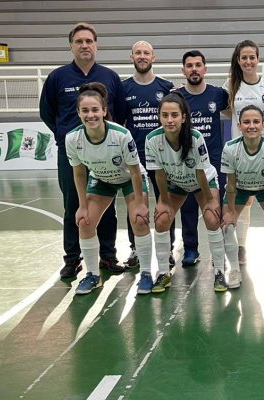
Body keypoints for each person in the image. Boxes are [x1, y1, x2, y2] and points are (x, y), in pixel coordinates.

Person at [39, 23, 127, 280]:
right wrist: (64, 134)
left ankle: (108, 255)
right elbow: (47, 112)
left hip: (104, 153)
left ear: (96, 45)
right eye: (79, 41)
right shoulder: (58, 77)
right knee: (74, 204)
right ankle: (72, 258)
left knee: (106, 204)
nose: (85, 45)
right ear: (71, 46)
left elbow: (119, 111)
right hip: (72, 154)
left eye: (89, 41)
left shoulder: (110, 77)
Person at [66, 83, 151, 295]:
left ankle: (147, 274)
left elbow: (134, 171)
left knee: (139, 220)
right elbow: (79, 173)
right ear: (78, 112)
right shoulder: (72, 139)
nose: (90, 115)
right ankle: (93, 275)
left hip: (130, 178)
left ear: (104, 111)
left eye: (95, 110)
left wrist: (140, 204)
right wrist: (82, 206)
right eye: (85, 110)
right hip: (102, 179)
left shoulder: (121, 135)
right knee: (84, 222)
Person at [146, 92, 230, 292]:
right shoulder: (152, 139)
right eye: (165, 115)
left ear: (183, 117)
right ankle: (164, 273)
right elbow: (158, 174)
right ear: (159, 117)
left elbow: (201, 172)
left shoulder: (195, 137)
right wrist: (164, 200)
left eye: (174, 115)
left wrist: (209, 200)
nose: (169, 120)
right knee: (161, 220)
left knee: (211, 218)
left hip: (202, 182)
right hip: (175, 182)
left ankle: (219, 271)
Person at [122, 40, 176, 270]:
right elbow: (119, 123)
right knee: (136, 204)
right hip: (135, 158)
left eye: (146, 53)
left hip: (162, 156)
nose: (142, 56)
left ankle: (169, 248)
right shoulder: (123, 89)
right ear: (131, 57)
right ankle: (136, 248)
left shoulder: (166, 86)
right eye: (138, 53)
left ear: (154, 57)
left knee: (166, 201)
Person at [221, 106, 264, 288]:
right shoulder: (230, 148)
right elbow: (231, 184)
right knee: (227, 225)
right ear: (239, 126)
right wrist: (230, 213)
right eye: (247, 122)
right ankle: (234, 270)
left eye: (256, 121)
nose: (251, 126)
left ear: (263, 125)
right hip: (240, 188)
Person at [175, 50, 230, 267]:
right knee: (188, 207)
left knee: (216, 206)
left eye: (198, 65)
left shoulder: (217, 94)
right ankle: (190, 249)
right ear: (183, 70)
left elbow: (237, 104)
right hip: (186, 161)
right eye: (189, 65)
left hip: (214, 162)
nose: (194, 69)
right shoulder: (178, 96)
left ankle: (222, 249)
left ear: (205, 69)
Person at [223, 40, 264, 266]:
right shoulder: (230, 85)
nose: (248, 61)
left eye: (252, 57)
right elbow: (225, 111)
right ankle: (241, 247)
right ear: (238, 60)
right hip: (239, 152)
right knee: (243, 201)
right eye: (243, 57)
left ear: (258, 59)